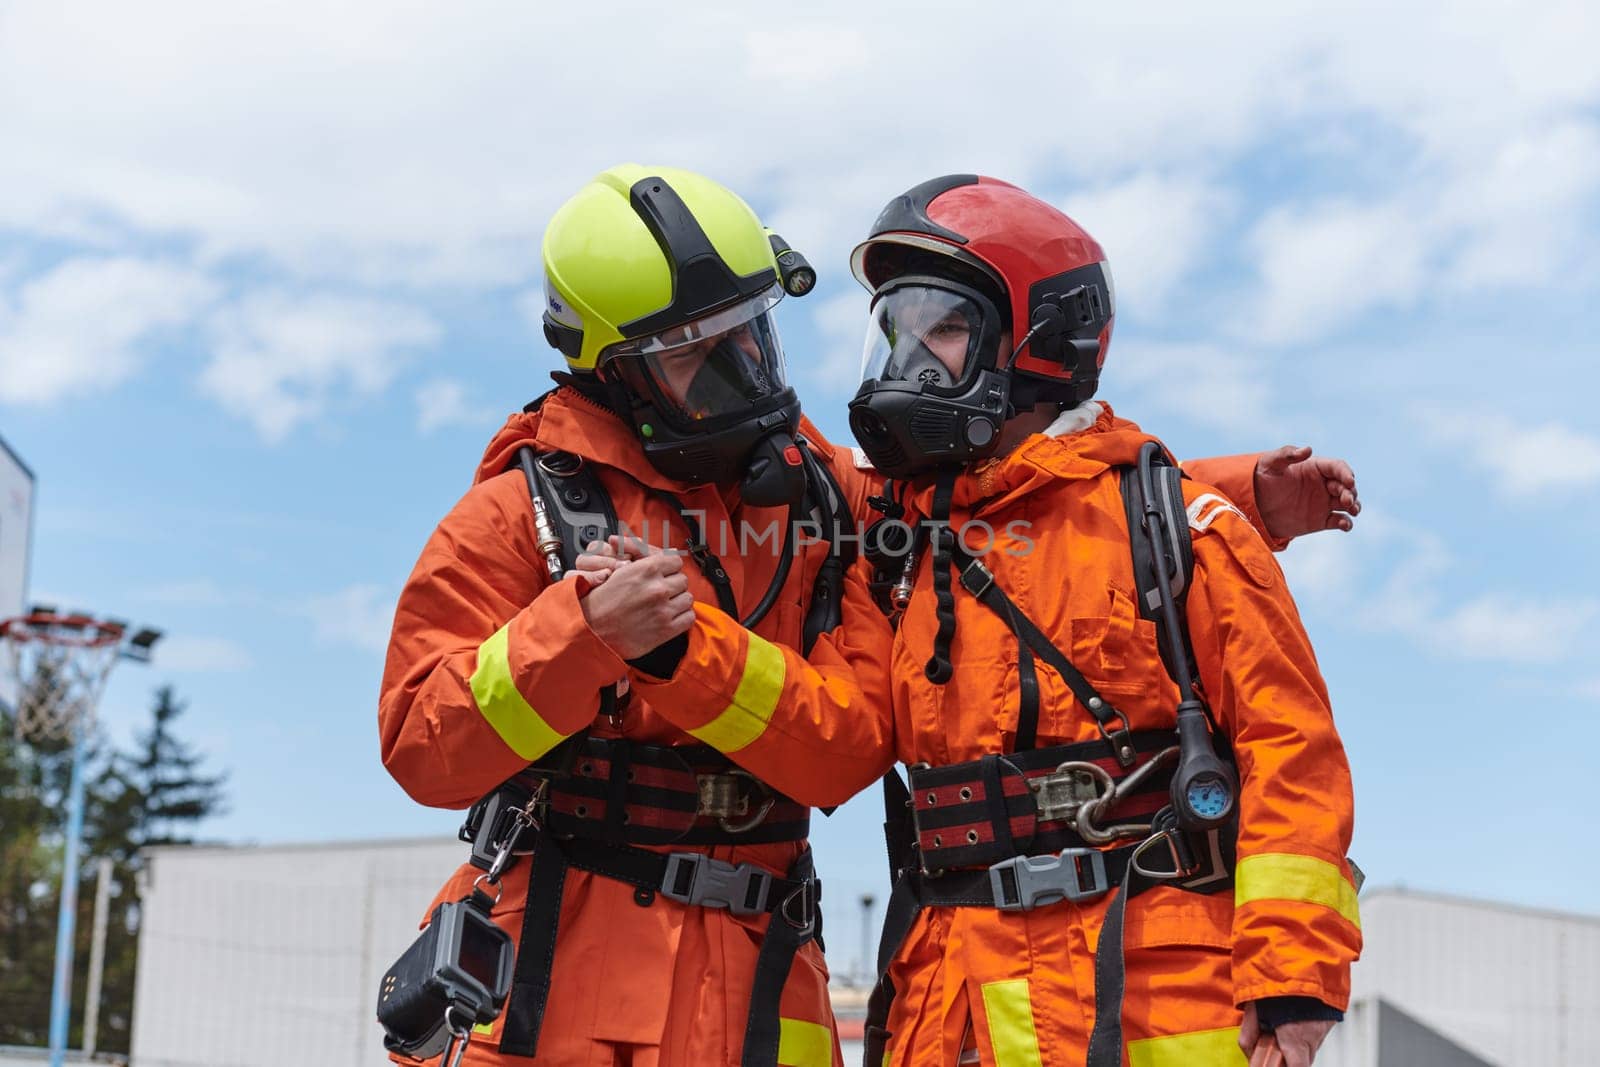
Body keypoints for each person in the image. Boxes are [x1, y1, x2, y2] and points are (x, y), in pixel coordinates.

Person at [379, 165, 1357, 1067]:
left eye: (749, 333)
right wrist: (579, 634)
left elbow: (1023, 505)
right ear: (616, 372)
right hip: (561, 971)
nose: (746, 375)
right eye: (699, 358)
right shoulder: (516, 517)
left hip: (774, 974)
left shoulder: (813, 493)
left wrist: (1222, 497)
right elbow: (423, 745)